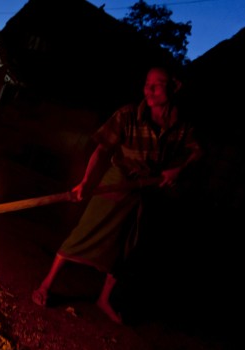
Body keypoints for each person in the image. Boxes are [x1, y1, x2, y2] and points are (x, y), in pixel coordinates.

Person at [31, 66, 203, 324]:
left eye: (157, 84)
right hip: (119, 180)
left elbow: (198, 152)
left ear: (174, 87)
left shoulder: (181, 126)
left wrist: (177, 169)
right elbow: (101, 151)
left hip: (145, 189)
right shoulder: (129, 114)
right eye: (147, 83)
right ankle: (45, 285)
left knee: (126, 248)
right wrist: (87, 183)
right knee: (86, 231)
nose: (150, 89)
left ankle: (104, 299)